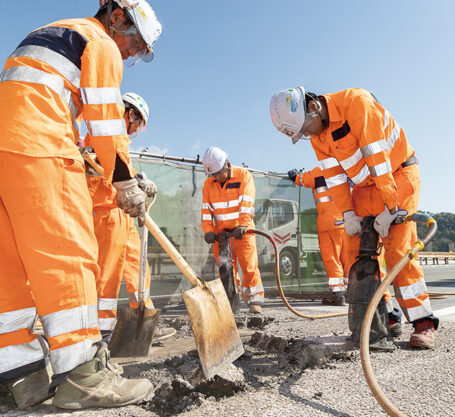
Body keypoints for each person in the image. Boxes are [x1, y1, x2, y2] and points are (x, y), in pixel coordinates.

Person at [0, 0, 162, 410]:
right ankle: (83, 377)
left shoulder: (54, 33)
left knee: (9, 271)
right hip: (40, 149)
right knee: (68, 257)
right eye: (135, 43)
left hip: (6, 152)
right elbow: (107, 125)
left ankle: (21, 379)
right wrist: (125, 182)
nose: (130, 53)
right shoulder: (99, 42)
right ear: (117, 16)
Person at [270, 87, 438, 349]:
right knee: (356, 252)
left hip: (397, 176)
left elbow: (378, 160)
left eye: (305, 128)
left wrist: (391, 209)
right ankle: (385, 318)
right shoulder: (318, 137)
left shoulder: (357, 104)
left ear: (313, 107)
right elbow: (335, 178)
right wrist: (348, 214)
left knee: (397, 252)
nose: (307, 135)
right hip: (364, 188)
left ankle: (423, 322)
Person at [82, 92, 157, 341]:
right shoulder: (104, 130)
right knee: (108, 274)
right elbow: (100, 166)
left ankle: (143, 322)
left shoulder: (118, 137)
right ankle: (101, 332)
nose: (135, 130)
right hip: (106, 210)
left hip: (122, 213)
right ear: (130, 113)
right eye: (137, 124)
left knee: (138, 268)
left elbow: (119, 169)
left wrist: (140, 182)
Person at [201, 147, 265, 314]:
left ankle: (254, 301)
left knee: (249, 266)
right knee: (226, 270)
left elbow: (247, 202)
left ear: (227, 165)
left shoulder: (243, 176)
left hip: (242, 231)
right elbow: (206, 210)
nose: (215, 177)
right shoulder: (209, 184)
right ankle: (231, 303)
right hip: (221, 235)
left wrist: (242, 225)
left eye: (217, 174)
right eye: (212, 175)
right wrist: (208, 230)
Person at [287, 167, 347, 305]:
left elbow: (301, 180)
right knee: (348, 259)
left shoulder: (319, 171)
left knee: (332, 258)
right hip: (347, 221)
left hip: (328, 223)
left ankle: (338, 295)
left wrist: (294, 175)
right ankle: (352, 293)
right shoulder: (346, 170)